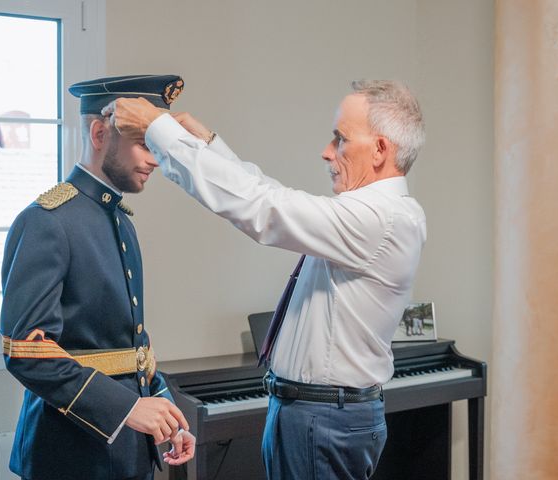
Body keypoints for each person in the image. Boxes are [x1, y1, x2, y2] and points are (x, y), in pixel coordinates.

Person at [104, 79, 427, 480]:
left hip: (323, 418)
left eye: (340, 139)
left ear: (380, 149)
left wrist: (157, 127)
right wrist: (209, 144)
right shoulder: (372, 213)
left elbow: (263, 206)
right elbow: (269, 193)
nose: (327, 152)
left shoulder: (382, 218)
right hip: (313, 414)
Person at [0, 74, 194, 480]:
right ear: (99, 132)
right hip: (70, 453)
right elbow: (26, 351)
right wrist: (126, 408)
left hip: (128, 451)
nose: (155, 160)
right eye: (144, 144)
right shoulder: (47, 222)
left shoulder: (120, 220)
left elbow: (129, 344)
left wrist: (163, 408)